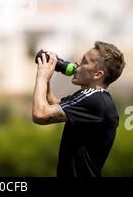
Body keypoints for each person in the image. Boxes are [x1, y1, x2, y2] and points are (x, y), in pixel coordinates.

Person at [32, 41, 125, 177]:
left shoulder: (95, 100)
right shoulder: (91, 97)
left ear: (97, 75)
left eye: (84, 62)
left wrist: (41, 77)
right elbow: (52, 104)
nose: (77, 64)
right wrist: (48, 76)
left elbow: (40, 114)